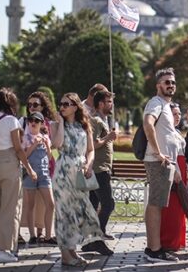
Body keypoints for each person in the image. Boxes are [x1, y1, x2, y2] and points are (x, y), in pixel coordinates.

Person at [51, 93, 111, 267]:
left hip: (80, 171)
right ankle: (65, 253)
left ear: (75, 107)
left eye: (66, 104)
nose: (62, 107)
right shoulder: (56, 125)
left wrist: (89, 164)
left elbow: (91, 150)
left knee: (79, 211)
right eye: (61, 104)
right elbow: (57, 144)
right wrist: (61, 123)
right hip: (63, 172)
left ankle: (72, 250)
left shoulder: (85, 125)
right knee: (63, 212)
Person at [0, 88, 37, 263]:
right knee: (10, 207)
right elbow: (18, 148)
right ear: (12, 103)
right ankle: (3, 248)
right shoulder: (11, 121)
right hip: (8, 161)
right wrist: (29, 169)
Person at [141, 68, 180, 262]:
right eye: (166, 82)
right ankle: (154, 251)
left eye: (172, 82)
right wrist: (158, 153)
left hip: (165, 163)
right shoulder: (155, 103)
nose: (170, 85)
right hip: (158, 162)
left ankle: (156, 247)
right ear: (158, 86)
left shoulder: (166, 105)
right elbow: (148, 124)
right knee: (155, 204)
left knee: (157, 204)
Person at [18, 91, 57, 245]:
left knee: (48, 204)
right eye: (30, 105)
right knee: (29, 204)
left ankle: (46, 234)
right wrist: (34, 144)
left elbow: (49, 155)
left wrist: (47, 146)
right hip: (29, 172)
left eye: (35, 105)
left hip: (45, 172)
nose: (32, 108)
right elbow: (23, 154)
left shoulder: (46, 130)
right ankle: (32, 235)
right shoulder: (24, 127)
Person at [86, 90, 117, 244]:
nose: (111, 104)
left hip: (102, 168)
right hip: (98, 169)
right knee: (108, 203)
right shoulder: (96, 121)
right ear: (100, 104)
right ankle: (98, 234)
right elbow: (92, 144)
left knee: (94, 204)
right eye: (109, 102)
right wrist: (108, 137)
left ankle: (95, 235)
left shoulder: (103, 120)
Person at [159, 102, 188, 252]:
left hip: (182, 170)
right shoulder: (166, 132)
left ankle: (177, 240)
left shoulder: (176, 131)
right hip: (174, 171)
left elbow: (182, 153)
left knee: (180, 207)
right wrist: (176, 171)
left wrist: (187, 170)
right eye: (174, 114)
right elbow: (170, 155)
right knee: (171, 207)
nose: (177, 117)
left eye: (179, 114)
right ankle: (168, 242)